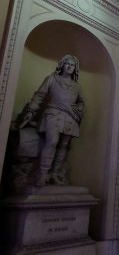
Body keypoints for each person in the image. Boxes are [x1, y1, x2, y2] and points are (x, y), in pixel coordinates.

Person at [18, 55, 84, 186]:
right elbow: (40, 95)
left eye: (73, 65)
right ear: (62, 65)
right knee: (52, 141)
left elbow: (81, 102)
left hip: (70, 117)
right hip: (53, 113)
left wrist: (79, 109)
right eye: (68, 64)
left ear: (75, 69)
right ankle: (42, 174)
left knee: (64, 145)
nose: (70, 67)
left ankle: (55, 173)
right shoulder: (52, 79)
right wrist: (31, 111)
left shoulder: (77, 86)